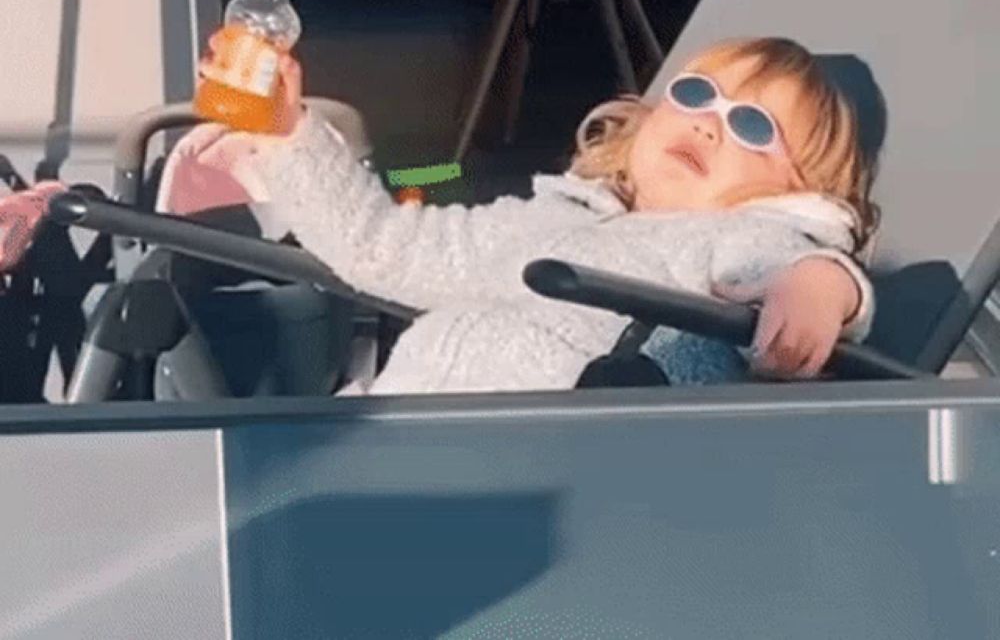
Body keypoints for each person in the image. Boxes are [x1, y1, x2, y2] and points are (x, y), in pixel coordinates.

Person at [151, 35, 878, 394]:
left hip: (569, 476)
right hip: (396, 436)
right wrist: (289, 135)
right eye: (695, 96)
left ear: (799, 186)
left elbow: (804, 266)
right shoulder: (552, 217)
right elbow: (384, 248)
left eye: (753, 127)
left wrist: (818, 288)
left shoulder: (741, 239)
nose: (710, 124)